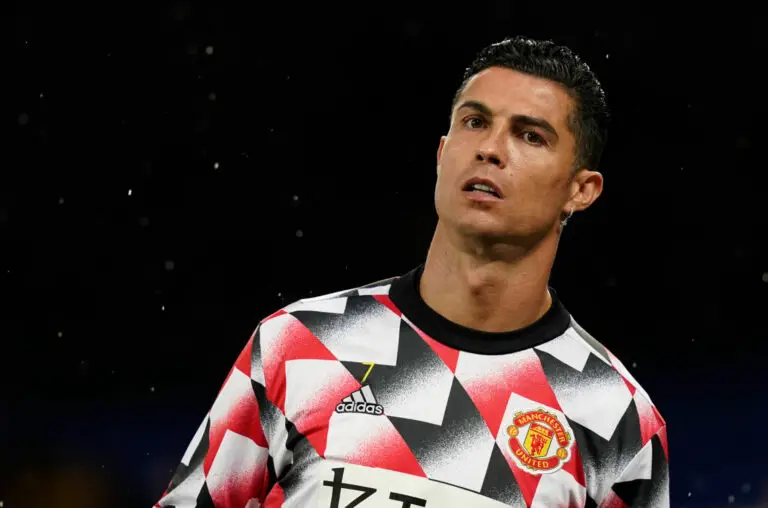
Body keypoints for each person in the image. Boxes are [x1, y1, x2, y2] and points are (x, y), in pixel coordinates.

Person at [154, 36, 668, 508]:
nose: (490, 149)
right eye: (474, 122)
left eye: (530, 136)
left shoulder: (616, 417)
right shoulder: (298, 344)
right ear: (443, 154)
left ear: (582, 190)